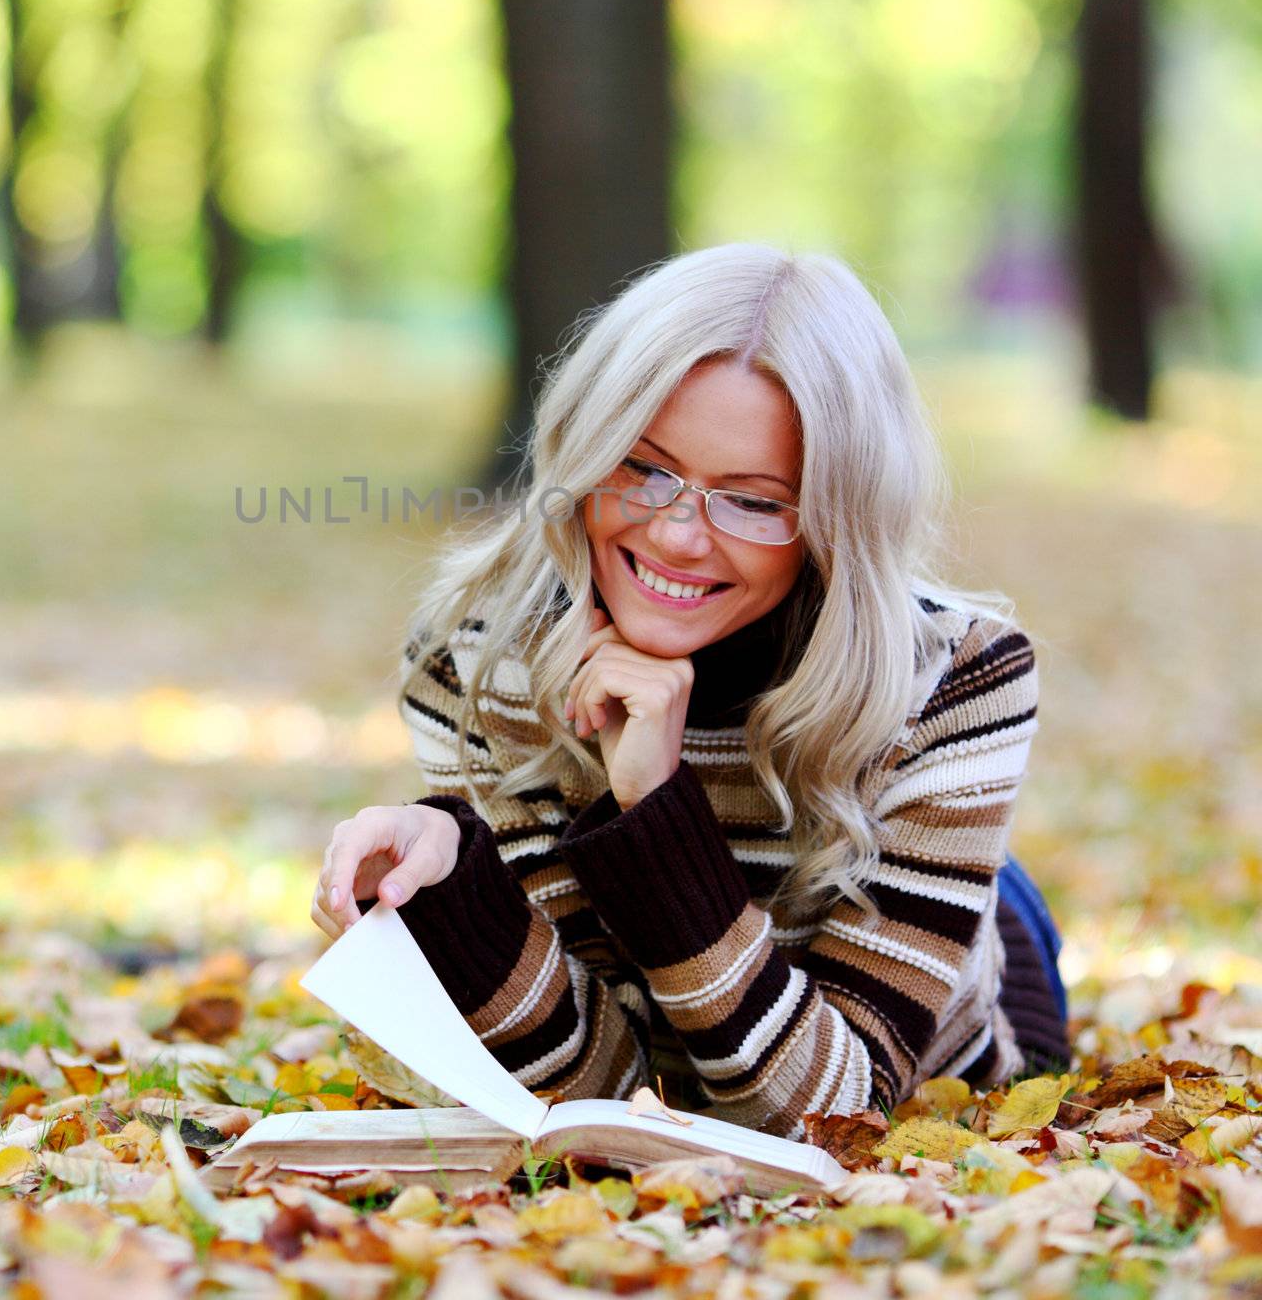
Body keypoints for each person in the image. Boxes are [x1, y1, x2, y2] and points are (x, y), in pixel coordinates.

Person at [310, 244, 1070, 1139]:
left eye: (752, 501)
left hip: (943, 998)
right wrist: (454, 887)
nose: (675, 536)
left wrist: (657, 810)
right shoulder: (476, 657)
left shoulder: (956, 676)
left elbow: (834, 1118)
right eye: (642, 466)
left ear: (834, 516)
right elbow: (612, 1100)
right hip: (735, 1015)